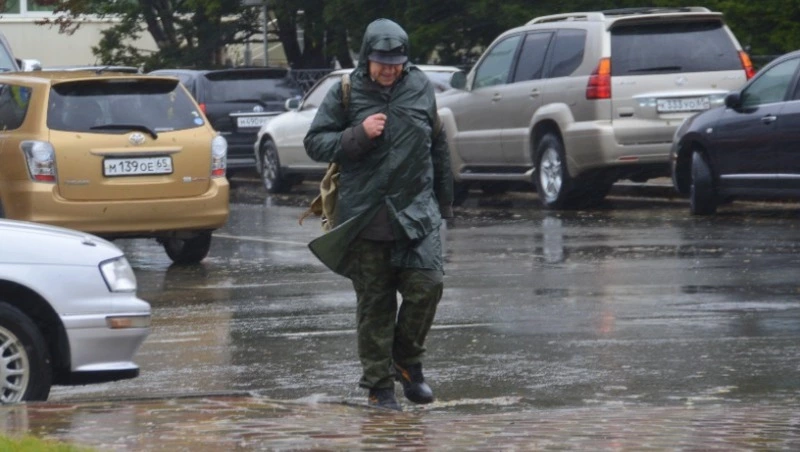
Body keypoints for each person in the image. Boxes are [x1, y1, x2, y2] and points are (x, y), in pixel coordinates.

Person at [304, 18, 453, 411]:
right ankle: (379, 387)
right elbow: (315, 143)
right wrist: (358, 134)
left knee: (428, 285)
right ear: (366, 58)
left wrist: (445, 203)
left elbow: (437, 142)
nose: (390, 70)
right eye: (382, 63)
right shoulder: (345, 92)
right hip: (366, 215)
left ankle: (407, 361)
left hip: (416, 212)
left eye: (396, 63)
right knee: (376, 304)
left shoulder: (420, 86)